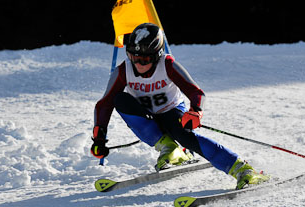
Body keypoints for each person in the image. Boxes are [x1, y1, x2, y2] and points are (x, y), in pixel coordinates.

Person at [91, 23, 269, 189]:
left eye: (144, 59)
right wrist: (99, 138)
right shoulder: (124, 71)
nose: (138, 64)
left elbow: (196, 92)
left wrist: (195, 111)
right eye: (133, 57)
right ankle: (170, 148)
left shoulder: (167, 65)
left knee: (184, 136)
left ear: (155, 55)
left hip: (172, 113)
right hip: (147, 119)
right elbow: (104, 105)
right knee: (120, 99)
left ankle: (243, 170)